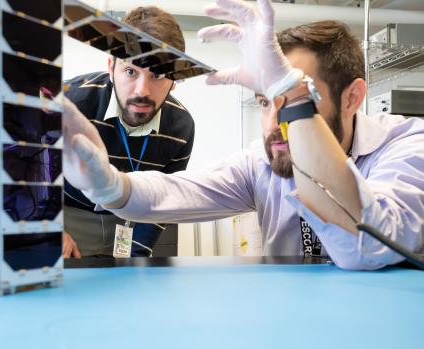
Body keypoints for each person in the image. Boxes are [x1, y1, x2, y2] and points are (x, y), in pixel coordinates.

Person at [62, 0, 424, 270]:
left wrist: (291, 95)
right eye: (266, 102)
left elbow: (363, 248)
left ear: (353, 98)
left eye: (300, 100)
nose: (273, 123)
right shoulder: (263, 161)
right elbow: (177, 191)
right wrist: (110, 185)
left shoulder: (407, 146)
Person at [63, 6, 196, 258]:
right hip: (68, 216)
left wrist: (136, 255)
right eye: (131, 71)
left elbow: (161, 202)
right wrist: (45, 230)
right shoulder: (70, 102)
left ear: (175, 78)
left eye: (157, 74)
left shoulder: (181, 128)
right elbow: (26, 170)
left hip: (130, 219)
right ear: (111, 65)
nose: (142, 91)